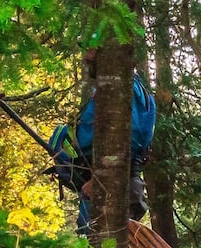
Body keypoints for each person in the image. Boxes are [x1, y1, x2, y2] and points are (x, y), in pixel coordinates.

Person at [47, 55, 158, 236]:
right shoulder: (120, 87)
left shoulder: (124, 88)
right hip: (104, 185)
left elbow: (128, 138)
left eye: (91, 48)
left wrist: (100, 180)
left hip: (110, 189)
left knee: (103, 240)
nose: (86, 57)